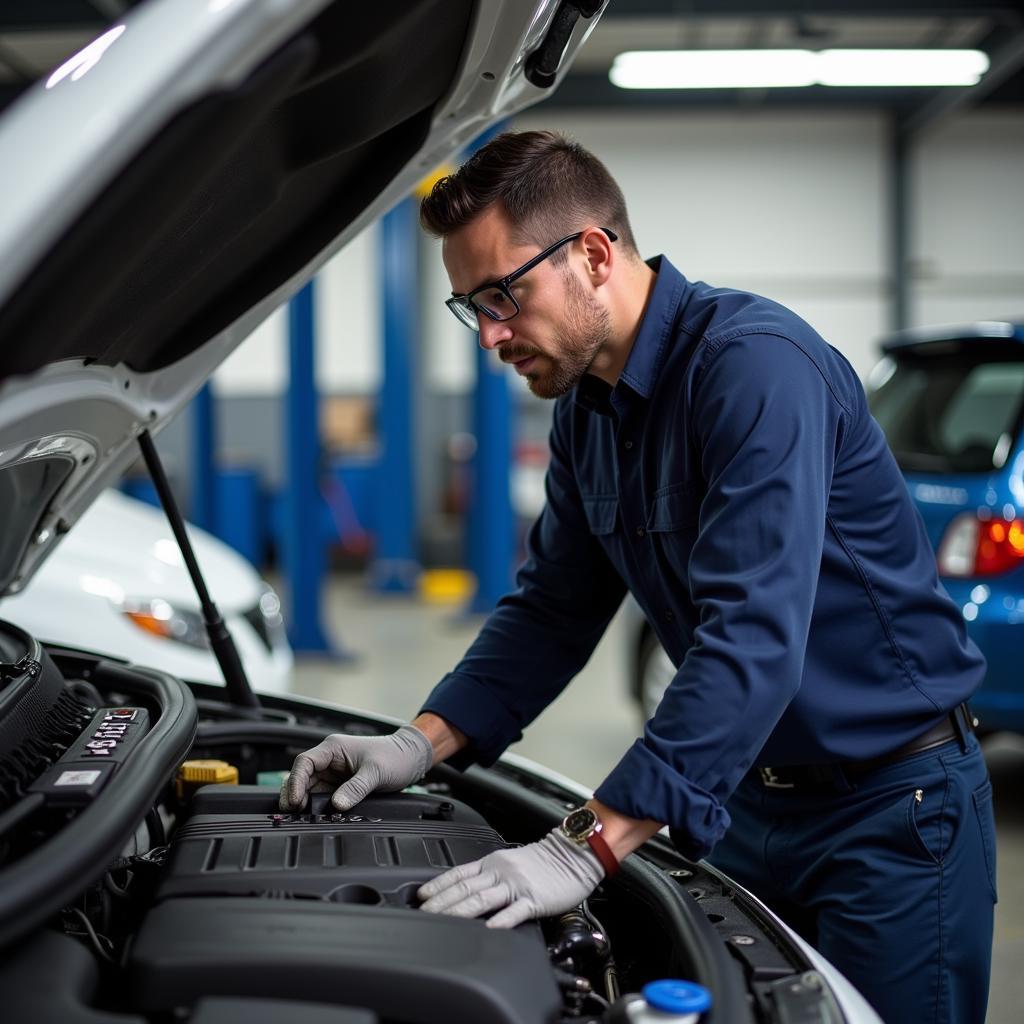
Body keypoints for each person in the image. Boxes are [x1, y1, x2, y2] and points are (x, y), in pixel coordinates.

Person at [281, 130, 996, 1023]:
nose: (493, 335)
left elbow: (753, 636)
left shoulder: (755, 367)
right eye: (473, 307)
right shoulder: (588, 412)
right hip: (742, 804)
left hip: (891, 814)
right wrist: (419, 743)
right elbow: (552, 609)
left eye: (505, 294)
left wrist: (587, 845)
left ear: (591, 253)